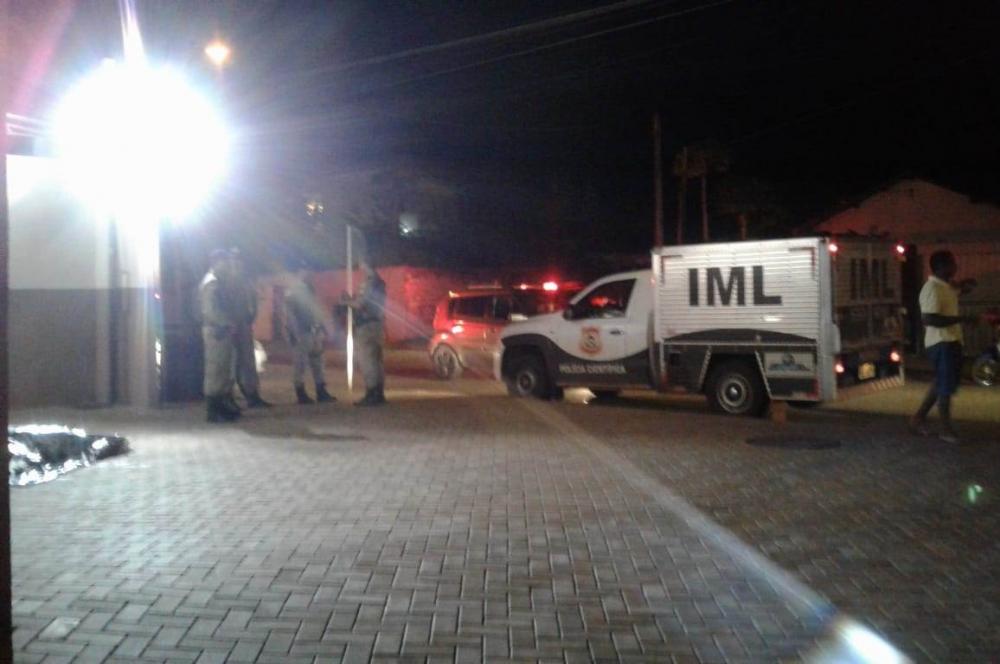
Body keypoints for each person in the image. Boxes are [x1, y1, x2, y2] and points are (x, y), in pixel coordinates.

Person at [909, 250, 990, 442]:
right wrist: (963, 319)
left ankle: (918, 419)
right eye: (952, 263)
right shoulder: (932, 288)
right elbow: (929, 319)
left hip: (950, 340)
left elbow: (957, 292)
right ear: (941, 267)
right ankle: (945, 429)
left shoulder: (945, 286)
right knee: (945, 386)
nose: (955, 267)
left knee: (941, 383)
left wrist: (966, 285)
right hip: (941, 342)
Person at [199, 249, 241, 422]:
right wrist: (227, 323)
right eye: (225, 262)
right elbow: (210, 310)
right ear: (216, 262)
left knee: (223, 370)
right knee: (215, 370)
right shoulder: (212, 283)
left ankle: (220, 407)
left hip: (220, 330)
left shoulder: (215, 281)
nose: (228, 265)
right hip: (216, 331)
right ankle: (213, 410)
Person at [285, 262, 335, 405]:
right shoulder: (293, 290)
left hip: (313, 330)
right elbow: (290, 314)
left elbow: (315, 310)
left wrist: (322, 327)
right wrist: (295, 333)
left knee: (318, 362)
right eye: (307, 270)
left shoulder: (309, 288)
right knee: (300, 364)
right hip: (302, 331)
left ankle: (321, 390)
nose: (310, 273)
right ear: (299, 272)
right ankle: (300, 392)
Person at [228, 249, 271, 408]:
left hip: (245, 326)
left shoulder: (246, 282)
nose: (238, 264)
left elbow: (253, 301)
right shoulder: (226, 282)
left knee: (248, 363)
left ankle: (252, 395)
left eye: (239, 260)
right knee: (231, 364)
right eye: (234, 260)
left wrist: (251, 317)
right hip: (232, 327)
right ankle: (229, 397)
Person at [344, 257, 387, 406]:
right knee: (377, 360)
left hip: (366, 325)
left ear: (366, 265)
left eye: (362, 264)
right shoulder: (380, 282)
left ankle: (371, 393)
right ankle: (379, 393)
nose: (360, 267)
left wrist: (346, 302)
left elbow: (360, 304)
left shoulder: (370, 283)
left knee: (368, 361)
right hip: (377, 324)